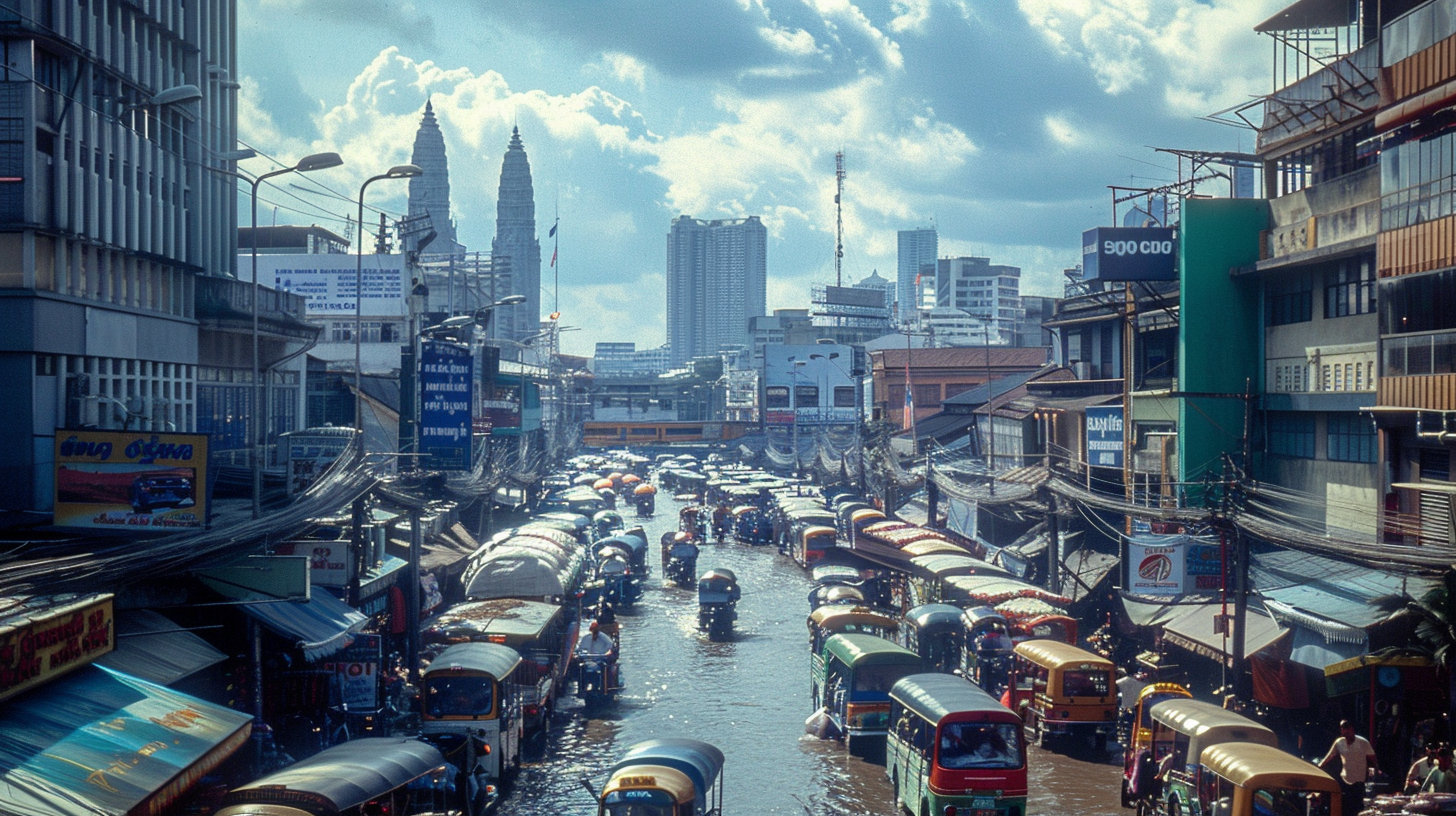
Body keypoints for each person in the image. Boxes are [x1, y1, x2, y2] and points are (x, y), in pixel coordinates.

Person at [1320, 719, 1377, 816]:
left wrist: (1374, 772)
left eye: (1348, 729)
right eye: (1343, 729)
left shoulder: (1363, 742)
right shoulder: (1339, 742)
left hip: (1359, 779)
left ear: (1352, 729)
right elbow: (1329, 757)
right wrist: (1319, 767)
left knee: (1358, 807)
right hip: (1345, 778)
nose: (1346, 731)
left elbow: (1372, 759)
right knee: (1346, 806)